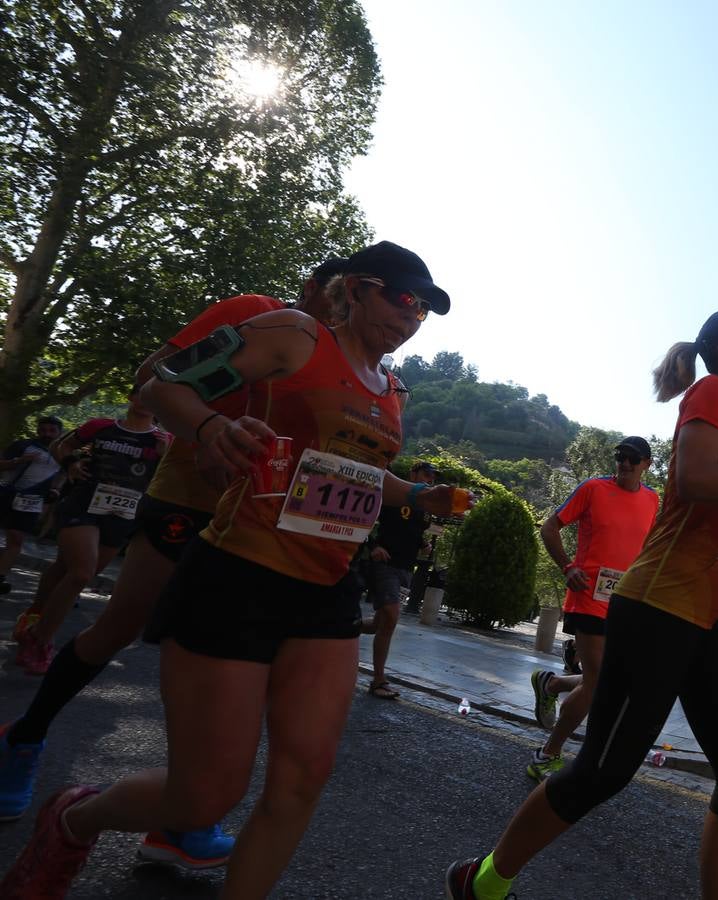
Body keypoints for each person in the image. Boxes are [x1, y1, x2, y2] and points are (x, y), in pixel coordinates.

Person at [1, 241, 464, 898]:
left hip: (326, 585)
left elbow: (354, 472)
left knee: (301, 780)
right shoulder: (288, 330)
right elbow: (161, 384)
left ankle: (174, 825)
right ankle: (69, 804)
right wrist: (212, 427)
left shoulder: (391, 390)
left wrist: (417, 495)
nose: (413, 315)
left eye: (424, 309)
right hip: (232, 560)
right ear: (353, 289)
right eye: (403, 297)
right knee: (201, 784)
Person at [445, 308, 718, 900]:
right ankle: (482, 881)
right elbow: (694, 479)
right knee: (603, 771)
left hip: (705, 618)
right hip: (659, 610)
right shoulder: (711, 390)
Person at [0, 261, 344, 868]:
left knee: (228, 676)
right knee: (119, 627)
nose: (340, 314)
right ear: (314, 286)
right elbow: (149, 378)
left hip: (258, 531)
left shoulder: (348, 369)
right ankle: (24, 739)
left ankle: (181, 820)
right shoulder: (253, 313)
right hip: (189, 498)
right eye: (337, 297)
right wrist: (205, 434)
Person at [527, 436, 660, 781]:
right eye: (620, 456)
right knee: (599, 682)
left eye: (633, 458)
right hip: (588, 596)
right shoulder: (593, 489)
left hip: (626, 603)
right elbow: (549, 527)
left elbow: (649, 550)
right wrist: (568, 567)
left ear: (646, 464)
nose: (625, 463)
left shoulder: (652, 500)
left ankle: (552, 685)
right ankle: (547, 753)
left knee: (610, 679)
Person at [11, 391, 168, 676]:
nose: (148, 400)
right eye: (143, 393)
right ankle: (41, 639)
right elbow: (62, 445)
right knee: (81, 573)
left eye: (154, 396)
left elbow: (169, 480)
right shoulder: (101, 426)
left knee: (67, 569)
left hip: (123, 514)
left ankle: (34, 613)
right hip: (83, 503)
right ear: (132, 397)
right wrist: (70, 463)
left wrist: (163, 456)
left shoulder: (164, 441)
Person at [361, 460, 439, 699]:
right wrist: (372, 546)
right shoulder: (393, 494)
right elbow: (363, 517)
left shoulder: (424, 505)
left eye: (432, 476)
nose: (429, 479)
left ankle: (338, 627)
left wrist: (423, 544)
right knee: (392, 617)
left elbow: (413, 531)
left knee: (379, 624)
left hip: (406, 567)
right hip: (385, 564)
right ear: (412, 472)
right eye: (425, 474)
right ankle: (378, 680)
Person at [0, 416, 64, 596]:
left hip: (33, 500)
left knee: (16, 538)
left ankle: (1, 576)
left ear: (60, 432)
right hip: (7, 493)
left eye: (52, 430)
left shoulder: (64, 453)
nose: (47, 434)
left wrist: (56, 490)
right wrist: (19, 460)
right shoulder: (22, 445)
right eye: (43, 430)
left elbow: (62, 474)